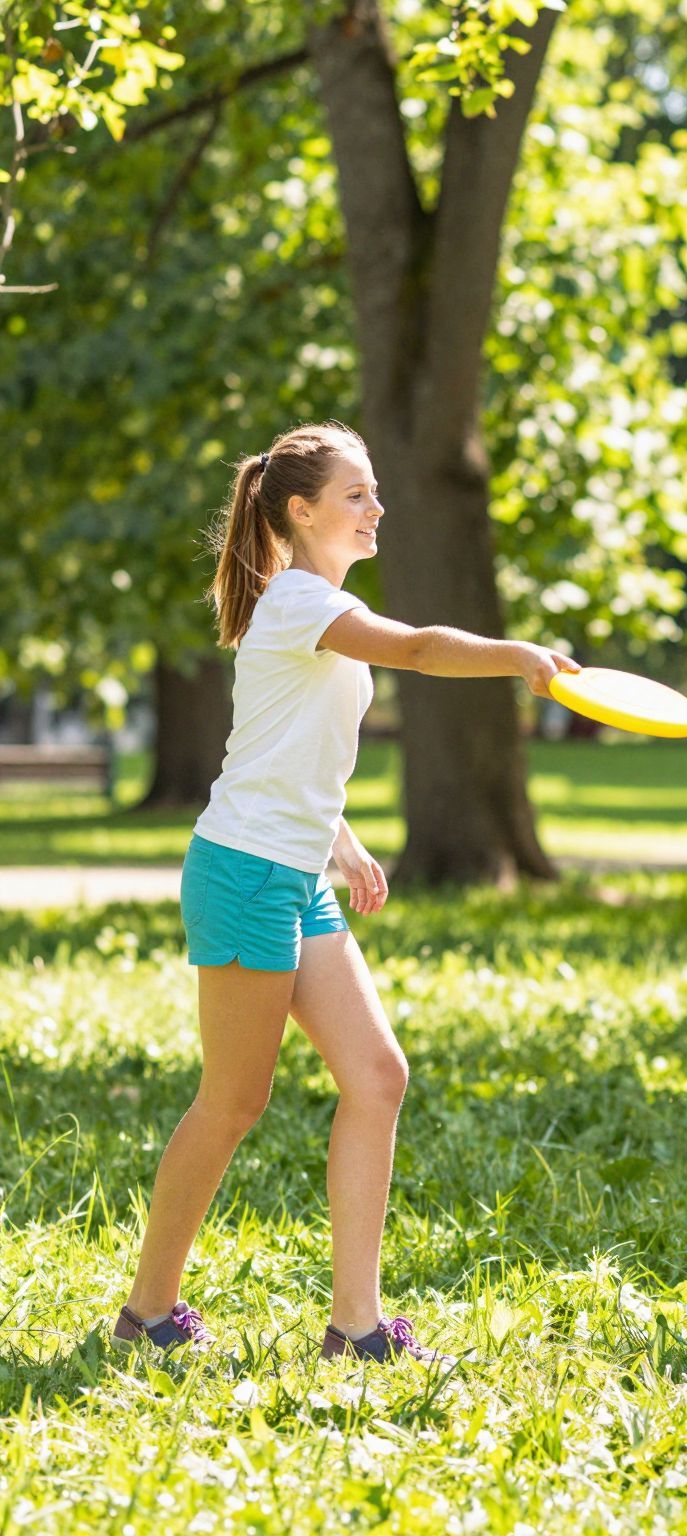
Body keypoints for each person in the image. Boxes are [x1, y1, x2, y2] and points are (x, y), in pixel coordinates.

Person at [115, 422, 576, 1363]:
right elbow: (419, 649)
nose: (376, 508)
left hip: (295, 870)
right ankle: (146, 1312)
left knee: (377, 1075)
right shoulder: (297, 600)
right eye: (356, 494)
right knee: (233, 1102)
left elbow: (285, 745)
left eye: (374, 491)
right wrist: (517, 655)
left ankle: (355, 1328)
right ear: (301, 510)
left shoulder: (318, 605)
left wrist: (342, 839)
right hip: (246, 871)